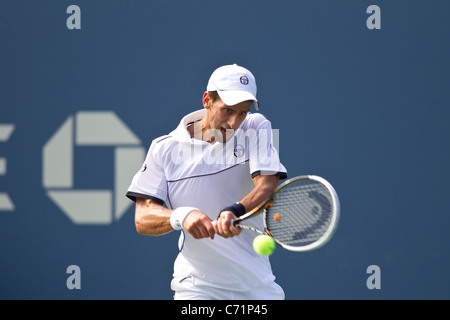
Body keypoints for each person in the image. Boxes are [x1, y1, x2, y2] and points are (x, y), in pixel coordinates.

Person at [126, 64, 287, 300]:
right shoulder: (164, 149)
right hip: (197, 288)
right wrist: (182, 216)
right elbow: (142, 218)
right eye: (227, 110)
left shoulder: (255, 126)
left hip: (258, 287)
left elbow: (266, 185)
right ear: (207, 100)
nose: (234, 122)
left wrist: (235, 211)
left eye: (242, 112)